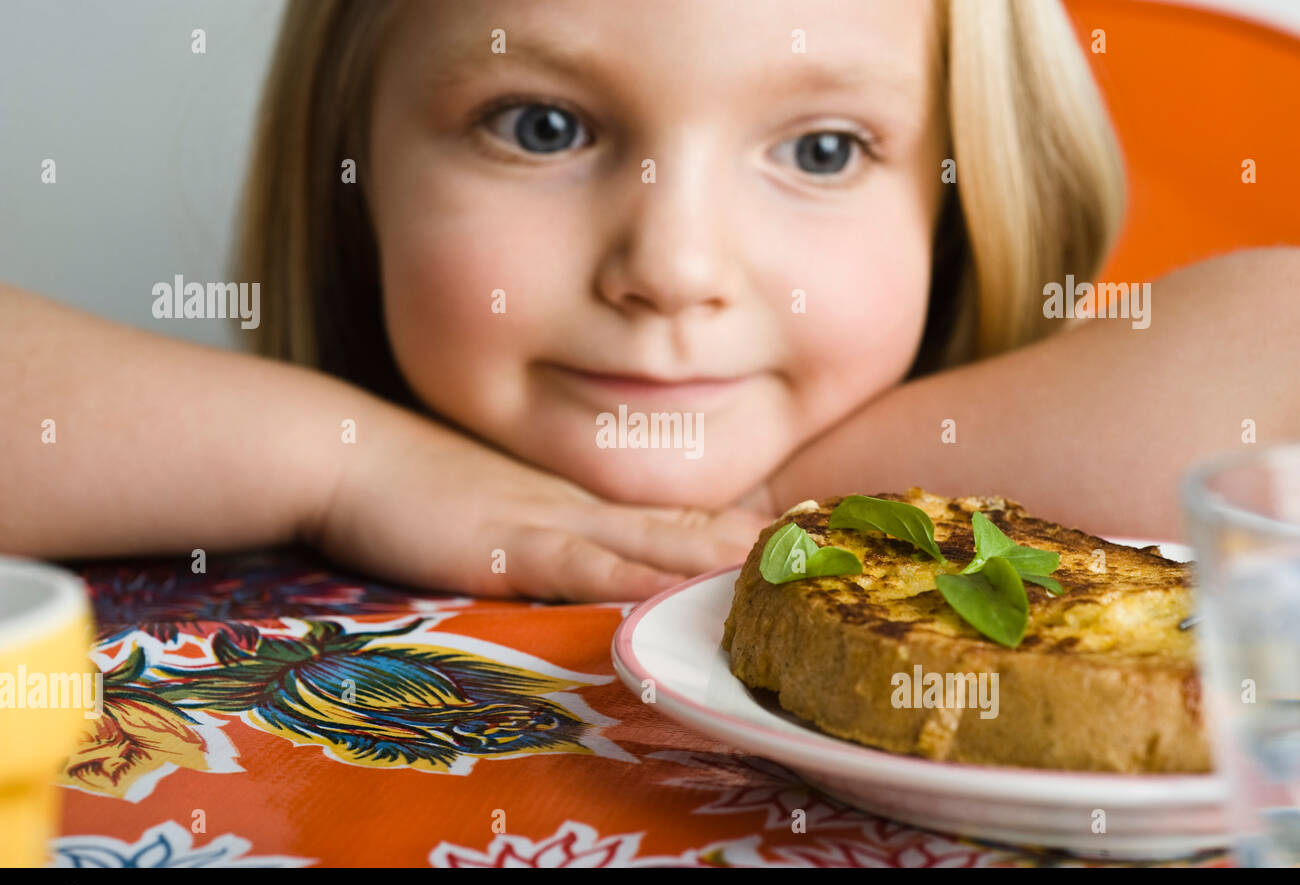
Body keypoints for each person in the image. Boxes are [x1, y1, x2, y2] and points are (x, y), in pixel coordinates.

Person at [4, 0, 1296, 601]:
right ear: (353, 168)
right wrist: (352, 466)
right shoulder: (215, 481)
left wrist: (835, 484)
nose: (673, 267)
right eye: (543, 124)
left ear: (964, 205)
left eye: (823, 150)